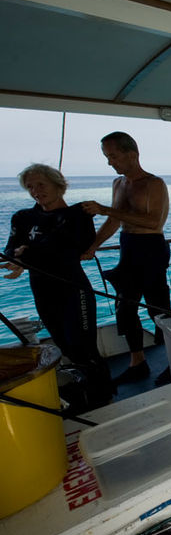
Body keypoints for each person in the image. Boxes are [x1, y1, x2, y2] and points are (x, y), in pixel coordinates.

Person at [2, 164, 113, 408]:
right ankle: (87, 386)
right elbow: (11, 248)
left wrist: (27, 255)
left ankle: (103, 394)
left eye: (41, 184)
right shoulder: (22, 217)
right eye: (30, 186)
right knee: (63, 343)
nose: (35, 191)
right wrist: (16, 258)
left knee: (82, 343)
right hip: (42, 289)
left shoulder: (78, 214)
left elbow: (72, 248)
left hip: (73, 288)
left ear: (58, 184)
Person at [82, 132, 171, 385]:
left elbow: (154, 221)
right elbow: (115, 219)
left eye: (113, 156)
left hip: (151, 247)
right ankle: (137, 362)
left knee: (159, 310)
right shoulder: (118, 184)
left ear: (132, 154)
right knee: (125, 307)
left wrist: (105, 209)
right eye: (106, 157)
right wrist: (93, 246)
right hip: (128, 247)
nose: (110, 162)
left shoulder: (154, 184)